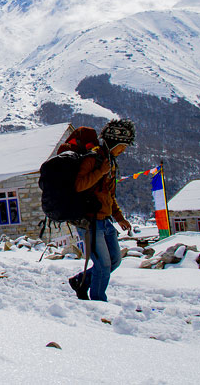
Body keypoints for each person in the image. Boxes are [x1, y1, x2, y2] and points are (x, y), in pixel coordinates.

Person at [68, 119, 134, 302]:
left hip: (105, 220)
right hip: (90, 221)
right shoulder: (93, 158)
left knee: (114, 260)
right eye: (122, 146)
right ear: (113, 142)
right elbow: (79, 185)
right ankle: (98, 301)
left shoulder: (110, 163)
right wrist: (100, 172)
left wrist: (119, 217)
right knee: (103, 264)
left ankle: (80, 281)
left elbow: (109, 195)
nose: (124, 151)